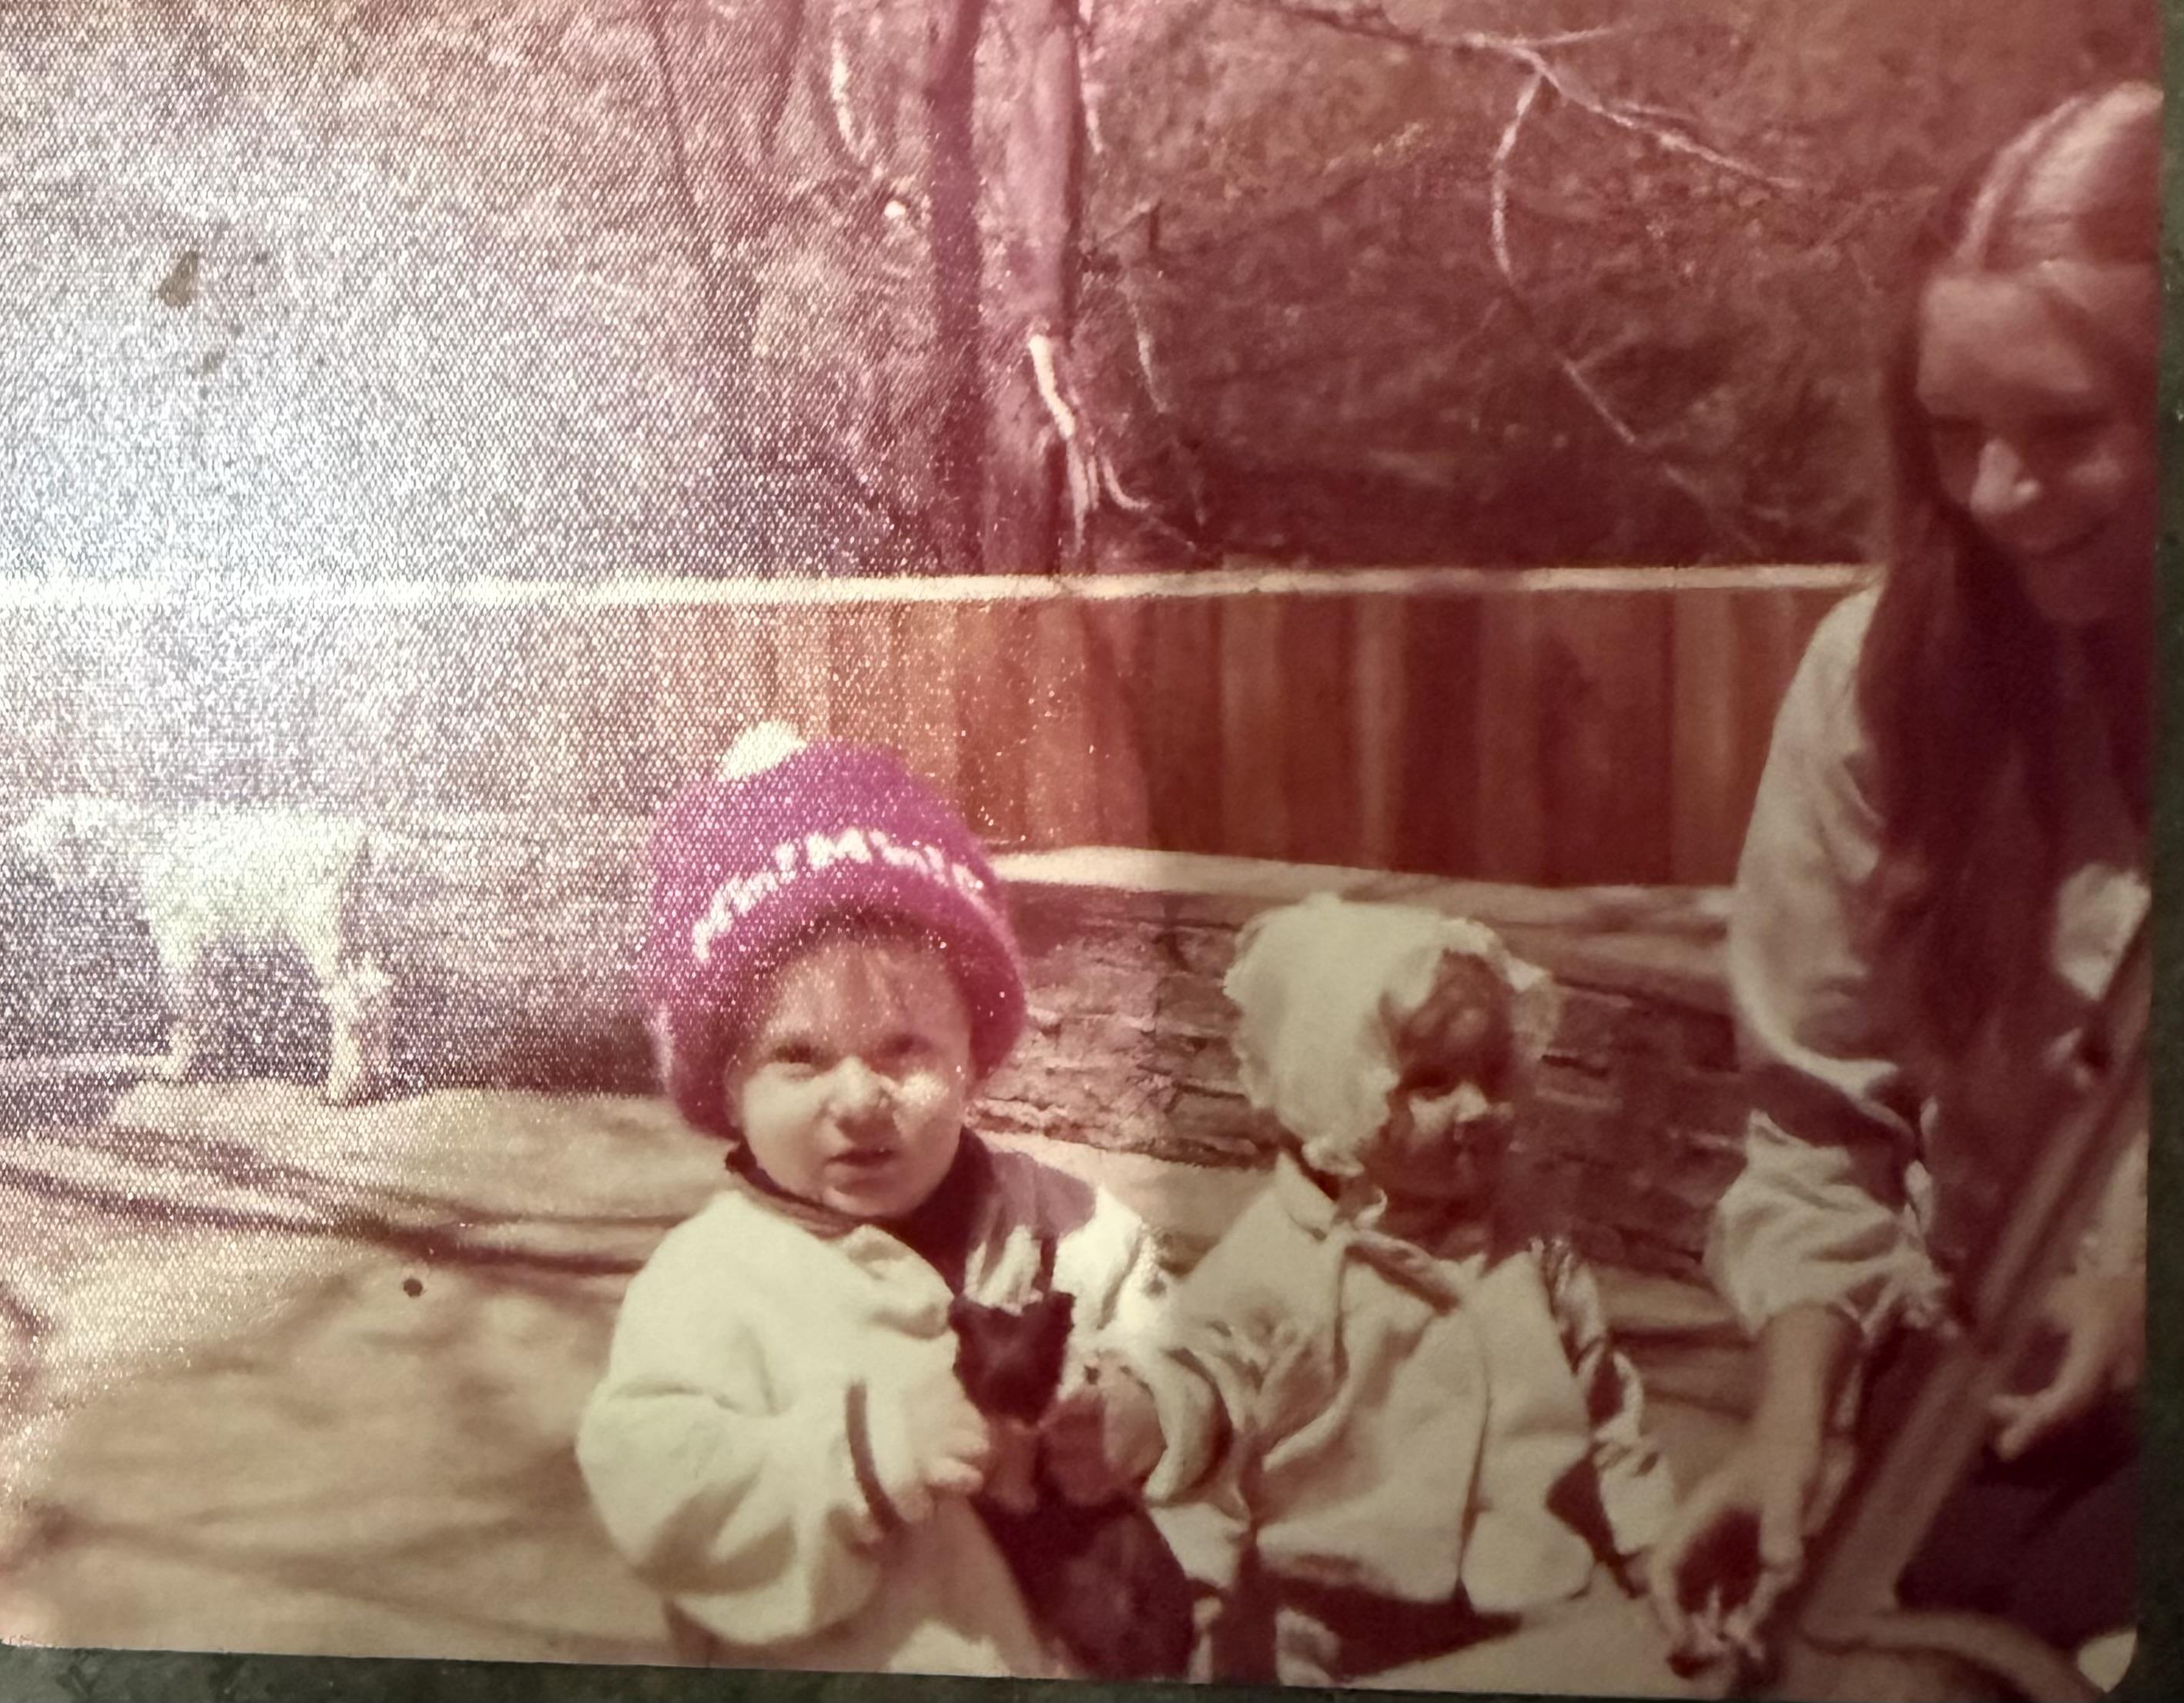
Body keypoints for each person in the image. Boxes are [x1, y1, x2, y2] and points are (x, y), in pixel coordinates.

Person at [1648, 82, 2156, 1683]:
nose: (1994, 494)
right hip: (1992, 1385)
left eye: (2067, 427)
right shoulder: (1875, 683)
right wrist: (1787, 1431)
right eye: (1953, 432)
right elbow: (1818, 1123)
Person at [576, 724, 1167, 1678]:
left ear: (972, 1049)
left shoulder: (1072, 1232)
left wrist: (1145, 1409)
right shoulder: (709, 1286)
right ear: (726, 1086)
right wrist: (862, 1452)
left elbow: (1177, 1348)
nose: (858, 1100)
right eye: (798, 1058)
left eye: (904, 1049)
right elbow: (657, 1484)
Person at [1043, 894, 1708, 1692]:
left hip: (1531, 1591)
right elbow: (1206, 1365)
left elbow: (1602, 1407)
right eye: (1429, 1084)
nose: (1476, 1110)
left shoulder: (1530, 1240)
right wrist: (1144, 1409)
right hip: (1333, 1620)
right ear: (1334, 1096)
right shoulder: (1279, 1261)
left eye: (1492, 1076)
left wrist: (1651, 1543)